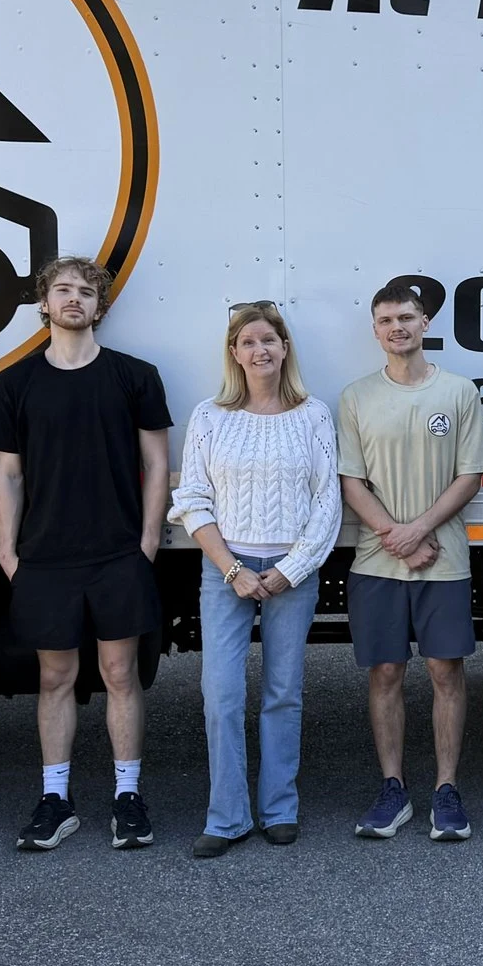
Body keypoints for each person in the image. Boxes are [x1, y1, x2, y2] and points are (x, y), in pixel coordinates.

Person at [0, 257, 173, 854]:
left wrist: (146, 542)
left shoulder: (134, 376)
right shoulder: (15, 384)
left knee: (120, 674)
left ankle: (127, 797)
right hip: (44, 558)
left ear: (99, 308)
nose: (74, 300)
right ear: (44, 303)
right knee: (54, 676)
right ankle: (56, 799)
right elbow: (7, 475)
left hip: (118, 554)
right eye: (62, 290)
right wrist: (8, 550)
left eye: (86, 293)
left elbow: (158, 464)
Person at [172, 301, 338, 857]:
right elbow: (193, 501)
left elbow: (327, 504)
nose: (259, 350)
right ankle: (226, 817)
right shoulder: (211, 416)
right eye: (247, 342)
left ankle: (279, 808)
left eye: (268, 339)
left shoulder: (313, 414)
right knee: (220, 693)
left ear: (285, 348)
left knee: (282, 693)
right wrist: (234, 569)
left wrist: (289, 570)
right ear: (234, 354)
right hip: (227, 570)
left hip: (295, 570)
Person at [338, 279, 483, 842]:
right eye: (385, 321)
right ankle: (393, 788)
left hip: (443, 560)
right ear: (375, 331)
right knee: (385, 672)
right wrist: (396, 535)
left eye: (406, 317)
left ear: (425, 322)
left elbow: (471, 474)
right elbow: (351, 481)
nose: (396, 327)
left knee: (446, 671)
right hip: (379, 562)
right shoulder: (356, 397)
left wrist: (421, 530)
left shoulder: (458, 391)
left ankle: (446, 791)